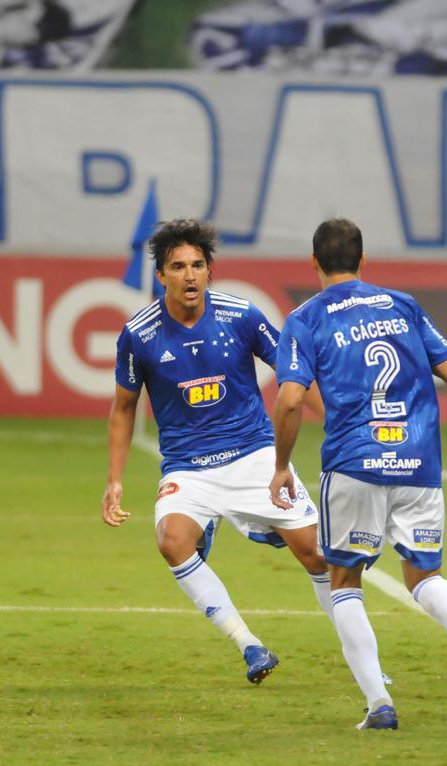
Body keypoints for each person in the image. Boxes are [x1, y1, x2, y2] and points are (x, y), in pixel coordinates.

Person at [269, 218, 447, 731]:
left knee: (344, 581)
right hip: (417, 461)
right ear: (363, 259)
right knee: (425, 577)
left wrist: (281, 465)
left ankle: (379, 704)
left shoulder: (306, 318)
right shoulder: (402, 305)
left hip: (354, 463)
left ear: (313, 262)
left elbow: (291, 399)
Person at [102, 218, 330, 686]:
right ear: (161, 275)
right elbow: (124, 408)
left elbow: (293, 373)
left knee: (317, 556)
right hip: (188, 468)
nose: (190, 275)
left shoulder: (241, 316)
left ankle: (367, 664)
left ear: (209, 270)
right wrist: (115, 479)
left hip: (253, 455)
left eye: (198, 265)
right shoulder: (139, 334)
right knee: (172, 541)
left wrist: (337, 423)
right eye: (178, 267)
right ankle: (249, 644)